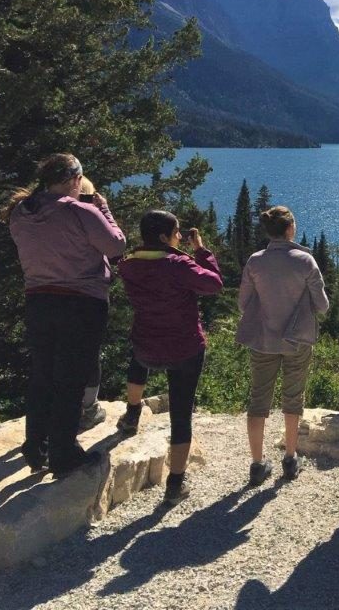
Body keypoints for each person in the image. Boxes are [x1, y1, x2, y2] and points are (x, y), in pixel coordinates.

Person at [4, 153, 126, 476]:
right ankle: (64, 454)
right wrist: (104, 209)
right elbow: (116, 245)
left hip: (38, 301)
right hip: (81, 303)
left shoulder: (21, 212)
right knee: (70, 379)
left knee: (42, 374)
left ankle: (35, 447)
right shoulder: (80, 211)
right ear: (75, 180)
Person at [116, 210, 223, 506]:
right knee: (181, 412)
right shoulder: (177, 265)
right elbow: (213, 284)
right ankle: (175, 483)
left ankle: (132, 414)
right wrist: (200, 250)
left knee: (136, 357)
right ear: (165, 237)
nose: (179, 238)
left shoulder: (129, 265)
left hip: (146, 345)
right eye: (176, 233)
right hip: (183, 347)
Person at [236, 206, 329, 487]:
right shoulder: (305, 262)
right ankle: (290, 458)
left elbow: (243, 303)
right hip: (297, 340)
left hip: (262, 340)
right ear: (290, 229)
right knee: (293, 398)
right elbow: (323, 306)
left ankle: (257, 464)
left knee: (258, 400)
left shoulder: (255, 261)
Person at [76, 175, 107, 433]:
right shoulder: (89, 216)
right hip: (89, 294)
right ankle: (88, 407)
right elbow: (116, 244)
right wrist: (103, 210)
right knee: (89, 352)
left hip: (52, 295)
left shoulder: (53, 218)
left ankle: (64, 406)